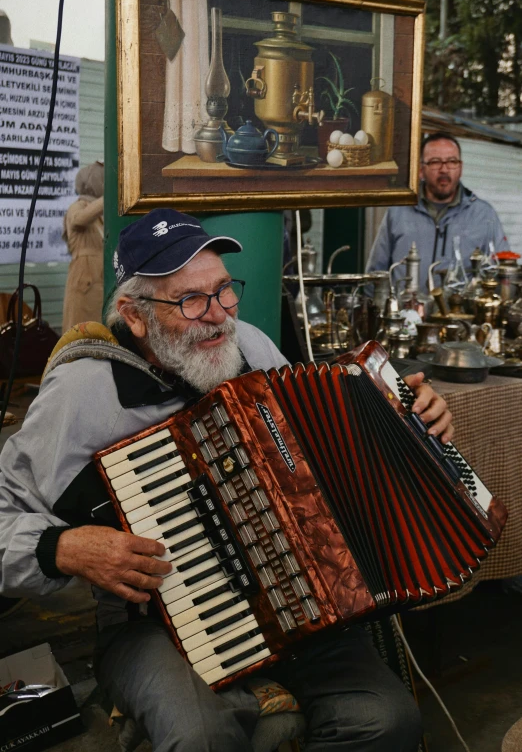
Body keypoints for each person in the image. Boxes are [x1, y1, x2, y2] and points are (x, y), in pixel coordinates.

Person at [0, 208, 455, 752]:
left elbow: (323, 455)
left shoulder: (254, 348)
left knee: (386, 719)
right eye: (190, 300)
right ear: (135, 315)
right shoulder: (82, 392)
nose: (217, 316)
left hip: (294, 600)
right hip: (148, 624)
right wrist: (61, 547)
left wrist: (411, 421)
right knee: (201, 738)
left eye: (224, 291)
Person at [366, 131, 510, 290]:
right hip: (406, 313)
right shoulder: (398, 211)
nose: (444, 169)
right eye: (435, 162)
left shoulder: (483, 215)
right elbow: (375, 275)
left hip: (462, 314)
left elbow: (502, 273)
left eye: (452, 161)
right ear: (421, 170)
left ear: (460, 168)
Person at [62, 161, 104, 333]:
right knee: (80, 329)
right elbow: (79, 219)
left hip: (97, 276)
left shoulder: (98, 211)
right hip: (85, 276)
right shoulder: (78, 206)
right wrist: (108, 195)